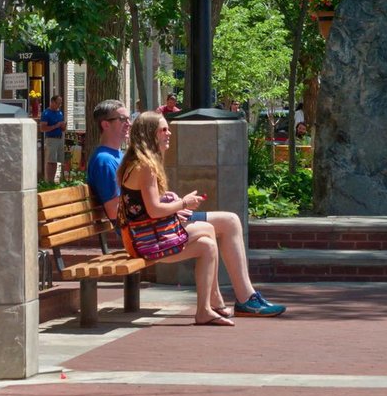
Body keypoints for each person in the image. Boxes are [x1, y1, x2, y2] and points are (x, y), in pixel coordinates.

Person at [118, 111, 285, 324]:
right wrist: (183, 203)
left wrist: (171, 203)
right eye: (163, 129)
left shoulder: (139, 162)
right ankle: (222, 301)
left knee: (208, 242)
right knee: (210, 229)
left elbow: (144, 205)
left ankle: (209, 307)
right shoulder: (145, 166)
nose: (169, 133)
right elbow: (153, 211)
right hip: (144, 239)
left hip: (144, 233)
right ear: (150, 134)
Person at [87, 99, 130, 221]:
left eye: (128, 119)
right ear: (105, 124)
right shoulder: (104, 161)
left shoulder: (119, 155)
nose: (129, 123)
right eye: (122, 119)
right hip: (134, 232)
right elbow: (114, 211)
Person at [39, 94, 65, 183]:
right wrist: (55, 126)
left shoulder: (60, 113)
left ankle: (58, 180)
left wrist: (63, 126)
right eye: (58, 103)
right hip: (51, 138)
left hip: (60, 138)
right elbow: (42, 128)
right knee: (51, 161)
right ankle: (49, 181)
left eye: (60, 103)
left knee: (60, 160)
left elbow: (62, 128)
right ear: (52, 102)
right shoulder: (46, 113)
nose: (59, 105)